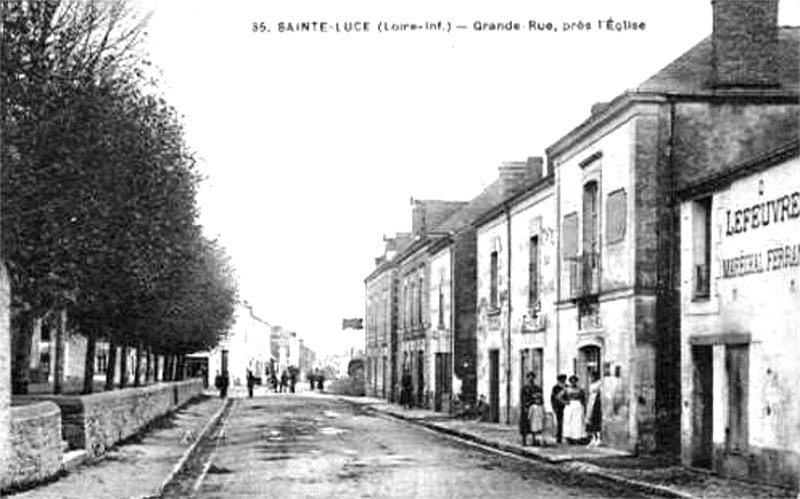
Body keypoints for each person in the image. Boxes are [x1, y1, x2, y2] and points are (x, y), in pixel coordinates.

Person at [520, 372, 545, 446]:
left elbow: (540, 398)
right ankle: (524, 440)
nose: (531, 379)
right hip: (526, 408)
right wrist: (525, 406)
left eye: (532, 377)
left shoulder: (537, 388)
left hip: (535, 408)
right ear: (527, 378)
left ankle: (534, 440)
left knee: (534, 425)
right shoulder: (524, 388)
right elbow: (522, 398)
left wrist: (540, 406)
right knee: (525, 425)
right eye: (529, 377)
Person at [560, 375, 586, 444]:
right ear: (570, 381)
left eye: (575, 381)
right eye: (572, 381)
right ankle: (569, 437)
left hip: (578, 405)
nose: (573, 382)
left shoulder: (580, 389)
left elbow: (583, 397)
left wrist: (583, 404)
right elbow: (559, 397)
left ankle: (577, 438)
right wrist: (565, 402)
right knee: (568, 421)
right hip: (570, 405)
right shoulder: (566, 389)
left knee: (577, 421)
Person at [585, 370, 603, 446]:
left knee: (595, 420)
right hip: (591, 402)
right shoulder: (591, 384)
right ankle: (593, 437)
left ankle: (598, 438)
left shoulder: (599, 383)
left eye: (592, 376)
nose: (590, 378)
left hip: (596, 403)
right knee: (590, 421)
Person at [550, 374, 568, 444]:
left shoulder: (567, 387)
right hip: (559, 407)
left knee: (567, 422)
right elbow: (553, 398)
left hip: (567, 407)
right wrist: (554, 407)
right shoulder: (555, 388)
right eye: (561, 379)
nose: (563, 380)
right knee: (559, 423)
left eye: (564, 379)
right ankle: (559, 438)